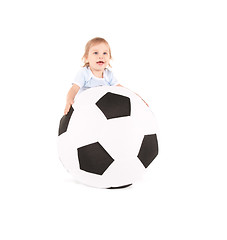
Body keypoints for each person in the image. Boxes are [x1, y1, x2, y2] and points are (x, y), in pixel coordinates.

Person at [64, 37, 148, 115]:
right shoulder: (84, 73)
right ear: (86, 58)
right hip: (86, 108)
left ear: (109, 58)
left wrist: (135, 95)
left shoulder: (108, 75)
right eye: (95, 53)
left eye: (105, 53)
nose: (101, 56)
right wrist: (69, 100)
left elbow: (120, 88)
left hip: (103, 108)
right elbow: (74, 88)